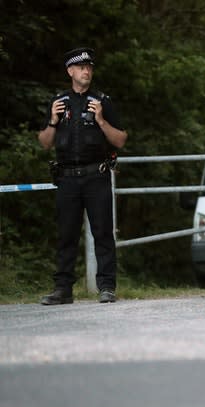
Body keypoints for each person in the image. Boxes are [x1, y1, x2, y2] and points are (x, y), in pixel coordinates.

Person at [38, 47, 127, 305]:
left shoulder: (102, 101)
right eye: (81, 67)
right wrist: (53, 121)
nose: (86, 71)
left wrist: (101, 120)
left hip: (96, 176)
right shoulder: (59, 102)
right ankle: (63, 289)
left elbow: (120, 139)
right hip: (66, 178)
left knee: (103, 233)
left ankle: (107, 287)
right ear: (70, 71)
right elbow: (44, 143)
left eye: (89, 67)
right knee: (66, 234)